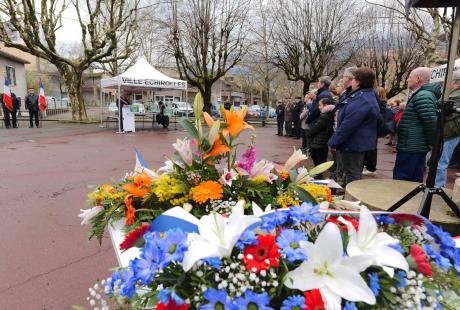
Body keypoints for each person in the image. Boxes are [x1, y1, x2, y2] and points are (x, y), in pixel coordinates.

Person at [328, 67, 380, 186]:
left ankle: (350, 201)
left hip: (353, 143)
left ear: (358, 81)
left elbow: (349, 124)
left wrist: (334, 141)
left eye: (353, 79)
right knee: (351, 172)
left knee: (352, 174)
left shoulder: (362, 98)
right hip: (354, 142)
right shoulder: (362, 94)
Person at [393, 67, 439, 182]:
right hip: (412, 145)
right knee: (409, 180)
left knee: (404, 180)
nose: (407, 80)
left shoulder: (423, 95)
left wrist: (432, 143)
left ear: (418, 79)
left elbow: (430, 122)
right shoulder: (422, 95)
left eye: (409, 77)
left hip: (412, 147)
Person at [330, 67, 357, 183]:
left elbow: (350, 119)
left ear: (352, 79)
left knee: (351, 170)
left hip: (348, 137)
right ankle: (340, 179)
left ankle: (346, 186)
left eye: (345, 76)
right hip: (340, 132)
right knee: (341, 163)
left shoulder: (355, 94)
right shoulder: (346, 93)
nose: (343, 79)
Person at [435, 72, 460, 187]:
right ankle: (438, 186)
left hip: (450, 132)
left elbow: (442, 107)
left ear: (457, 82)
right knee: (441, 161)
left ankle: (439, 187)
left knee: (441, 162)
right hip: (451, 131)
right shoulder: (453, 94)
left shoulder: (455, 95)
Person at [363, 86, 390, 176]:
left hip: (374, 127)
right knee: (372, 148)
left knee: (372, 149)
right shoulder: (383, 103)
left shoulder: (380, 104)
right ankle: (369, 166)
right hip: (376, 127)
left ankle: (371, 168)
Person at [306, 97, 335, 176]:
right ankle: (318, 173)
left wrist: (309, 133)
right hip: (321, 140)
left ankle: (318, 175)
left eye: (320, 105)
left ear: (325, 105)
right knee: (319, 158)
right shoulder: (328, 114)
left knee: (318, 159)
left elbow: (317, 127)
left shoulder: (325, 115)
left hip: (320, 140)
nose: (319, 107)